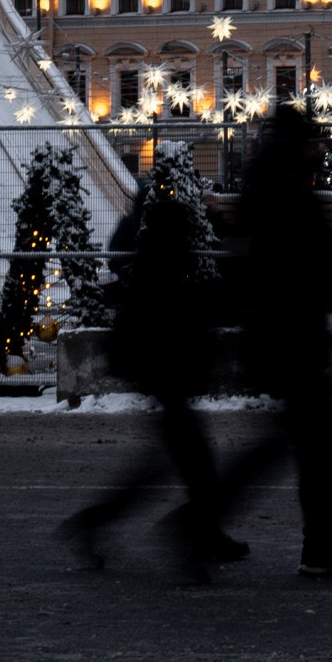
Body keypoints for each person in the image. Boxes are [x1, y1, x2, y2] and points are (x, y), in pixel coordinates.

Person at [215, 109, 332, 578]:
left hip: (277, 331)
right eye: (314, 139)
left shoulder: (268, 184)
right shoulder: (289, 192)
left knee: (294, 440)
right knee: (311, 439)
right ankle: (315, 546)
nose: (319, 147)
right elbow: (320, 271)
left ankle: (208, 523)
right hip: (289, 332)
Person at [60, 200, 242, 574]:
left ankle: (197, 533)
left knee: (180, 464)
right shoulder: (167, 261)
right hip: (167, 375)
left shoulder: (155, 257)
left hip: (161, 377)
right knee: (189, 465)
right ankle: (192, 536)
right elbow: (186, 310)